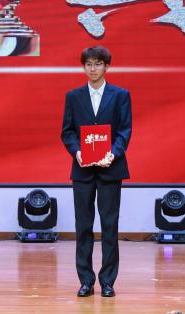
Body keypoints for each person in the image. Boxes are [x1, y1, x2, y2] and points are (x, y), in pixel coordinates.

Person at [60, 45, 132, 298]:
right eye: (88, 64)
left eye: (98, 64)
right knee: (83, 226)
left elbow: (125, 130)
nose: (93, 69)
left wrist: (113, 153)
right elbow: (67, 131)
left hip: (111, 168)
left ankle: (108, 281)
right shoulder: (73, 96)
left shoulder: (121, 95)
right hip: (82, 169)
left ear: (107, 66)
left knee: (110, 226)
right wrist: (77, 152)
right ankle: (86, 281)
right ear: (83, 67)